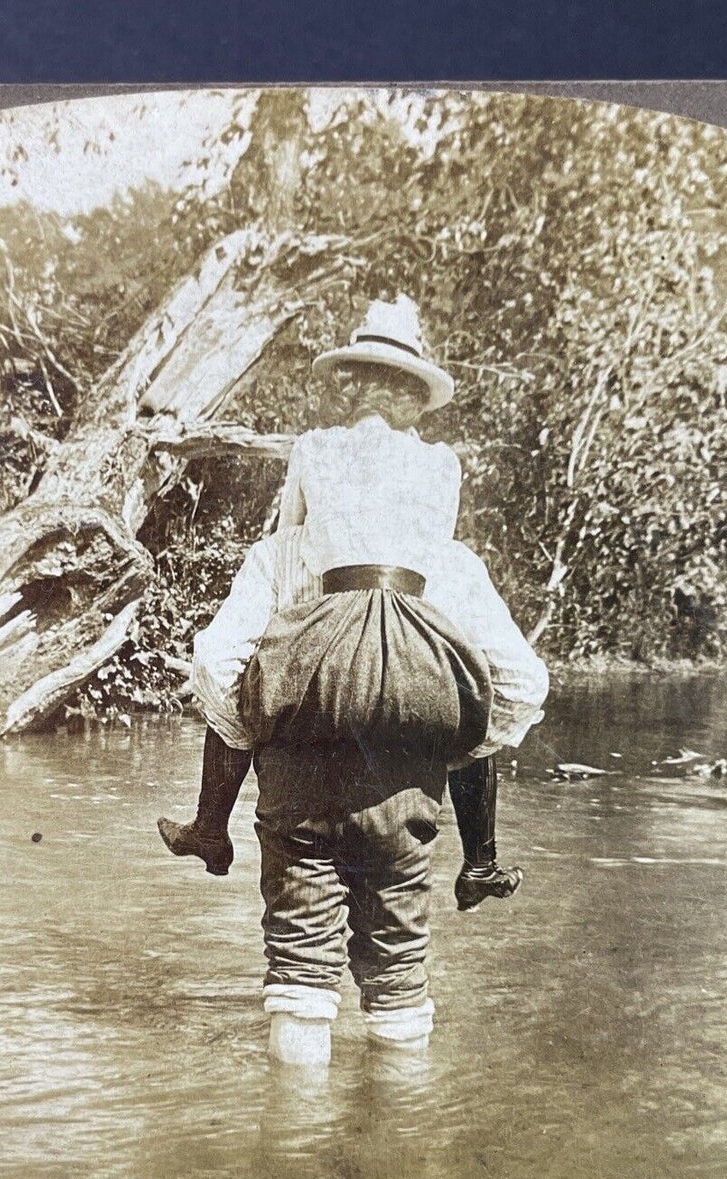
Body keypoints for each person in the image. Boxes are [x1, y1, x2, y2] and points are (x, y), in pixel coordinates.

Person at [160, 297, 550, 1065]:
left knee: (301, 981)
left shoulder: (283, 557)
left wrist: (259, 724)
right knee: (400, 983)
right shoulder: (448, 569)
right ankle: (401, 1158)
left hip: (298, 792)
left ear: (343, 397)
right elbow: (520, 684)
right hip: (405, 795)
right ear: (413, 405)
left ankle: (209, 830)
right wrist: (452, 731)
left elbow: (214, 665)